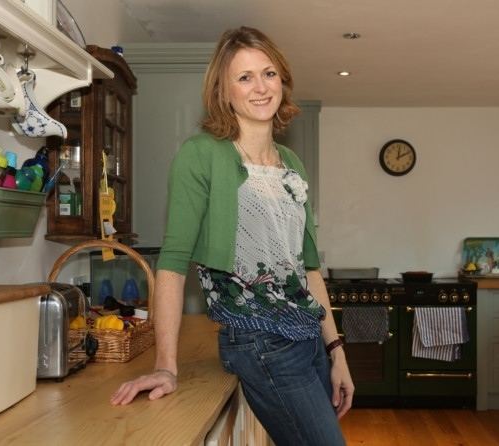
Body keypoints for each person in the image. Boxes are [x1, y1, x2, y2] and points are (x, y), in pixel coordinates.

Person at [110, 26, 354, 445]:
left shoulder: (292, 162)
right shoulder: (201, 155)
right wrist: (166, 366)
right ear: (224, 92)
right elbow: (172, 262)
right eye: (244, 78)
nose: (260, 87)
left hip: (309, 339)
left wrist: (336, 351)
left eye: (269, 73)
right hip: (262, 343)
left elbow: (308, 267)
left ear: (283, 80)